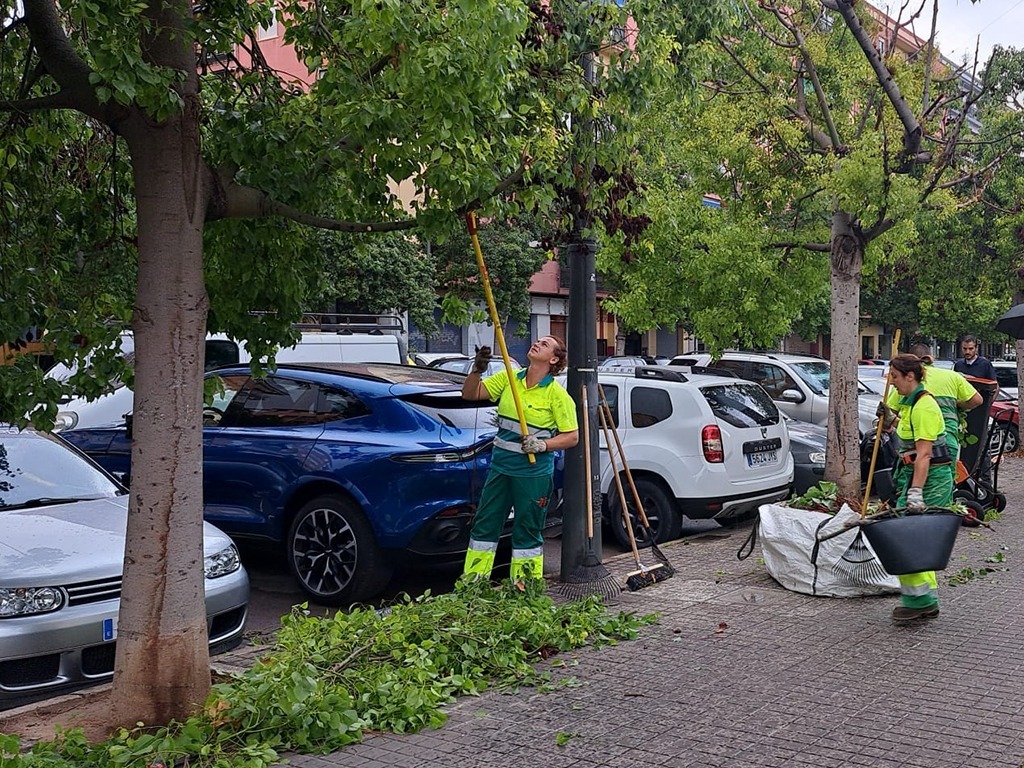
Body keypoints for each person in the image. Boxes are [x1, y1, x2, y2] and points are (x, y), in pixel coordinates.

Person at [460, 336, 579, 583]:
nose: (536, 343)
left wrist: (543, 444)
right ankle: (473, 585)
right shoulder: (509, 379)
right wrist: (477, 370)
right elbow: (470, 394)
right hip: (501, 468)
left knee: (527, 531)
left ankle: (526, 589)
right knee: (485, 525)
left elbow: (572, 437)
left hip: (533, 473)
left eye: (544, 344)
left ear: (554, 359)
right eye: (537, 341)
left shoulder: (557, 395)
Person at [879, 354, 954, 622]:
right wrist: (890, 420)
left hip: (931, 476)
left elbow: (924, 455)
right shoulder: (911, 404)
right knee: (916, 537)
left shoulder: (925, 407)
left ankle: (919, 600)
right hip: (915, 472)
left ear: (910, 377)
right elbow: (906, 437)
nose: (892, 382)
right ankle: (923, 598)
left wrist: (916, 492)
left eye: (895, 378)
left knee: (907, 536)